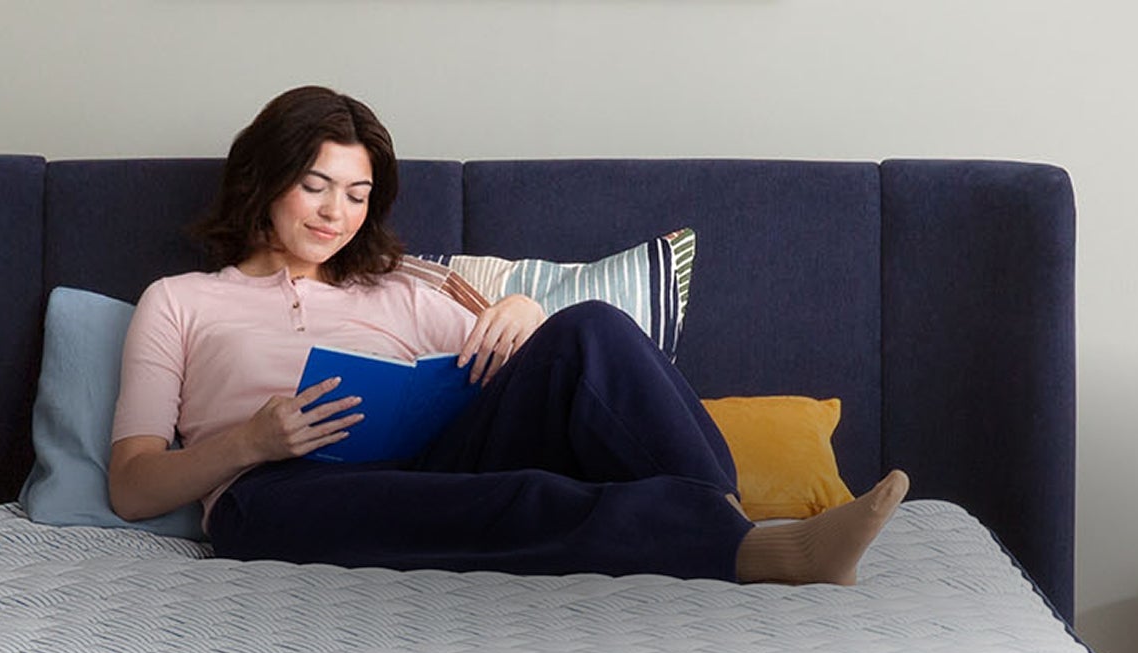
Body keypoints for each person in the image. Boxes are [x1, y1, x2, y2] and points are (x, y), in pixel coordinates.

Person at [103, 85, 910, 585]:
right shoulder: (179, 302)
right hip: (281, 493)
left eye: (355, 195)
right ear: (262, 180)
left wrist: (527, 316)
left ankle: (730, 525)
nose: (333, 214)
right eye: (314, 186)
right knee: (499, 502)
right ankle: (742, 549)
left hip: (434, 453)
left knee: (590, 327)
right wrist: (248, 442)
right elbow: (132, 485)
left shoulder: (399, 283)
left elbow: (549, 384)